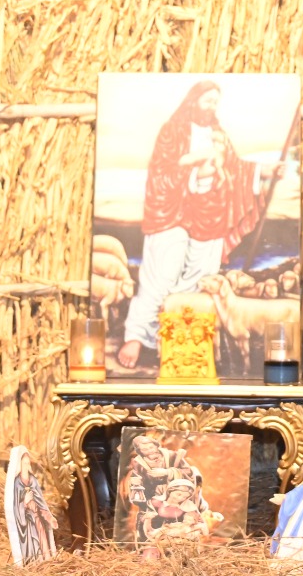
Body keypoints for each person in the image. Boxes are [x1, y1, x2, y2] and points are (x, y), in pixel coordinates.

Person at [117, 82, 284, 368]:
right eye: (207, 100)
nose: (212, 107)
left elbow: (235, 167)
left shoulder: (218, 134)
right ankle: (137, 336)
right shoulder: (173, 131)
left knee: (199, 279)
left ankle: (182, 340)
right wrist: (195, 175)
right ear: (193, 101)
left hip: (209, 215)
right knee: (162, 275)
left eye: (215, 102)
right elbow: (161, 172)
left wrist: (265, 170)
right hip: (174, 212)